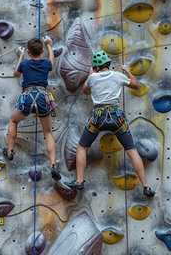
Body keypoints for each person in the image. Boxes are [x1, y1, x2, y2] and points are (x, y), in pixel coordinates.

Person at [65, 51, 155, 198]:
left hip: (97, 118)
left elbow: (86, 91)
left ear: (96, 67)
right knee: (131, 150)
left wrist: (90, 74)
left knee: (81, 147)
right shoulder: (117, 76)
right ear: (108, 64)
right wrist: (126, 71)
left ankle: (79, 180)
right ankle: (145, 186)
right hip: (116, 118)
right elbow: (135, 85)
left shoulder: (92, 77)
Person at [3, 37, 60, 180]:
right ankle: (53, 165)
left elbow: (16, 73)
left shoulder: (25, 64)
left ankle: (10, 151)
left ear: (28, 51)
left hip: (27, 96)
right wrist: (49, 45)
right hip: (42, 96)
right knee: (47, 132)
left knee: (13, 121)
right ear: (41, 51)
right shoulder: (46, 63)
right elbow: (52, 61)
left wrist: (21, 55)